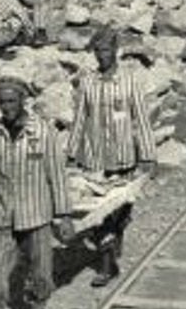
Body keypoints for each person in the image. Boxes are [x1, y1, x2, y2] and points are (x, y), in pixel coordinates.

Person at [0, 77, 76, 309]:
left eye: (11, 101)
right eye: (2, 102)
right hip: (2, 213)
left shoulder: (42, 132)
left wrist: (64, 215)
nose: (6, 107)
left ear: (22, 101)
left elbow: (57, 175)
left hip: (36, 214)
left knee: (40, 272)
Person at [67, 27, 156, 287]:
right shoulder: (88, 82)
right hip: (95, 159)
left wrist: (148, 154)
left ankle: (116, 234)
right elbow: (80, 120)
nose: (101, 56)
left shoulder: (129, 82)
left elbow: (141, 119)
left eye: (106, 50)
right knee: (102, 212)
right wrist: (72, 152)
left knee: (120, 209)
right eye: (97, 51)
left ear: (115, 52)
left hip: (123, 157)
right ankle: (107, 266)